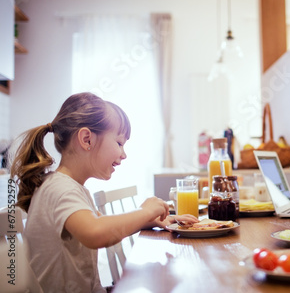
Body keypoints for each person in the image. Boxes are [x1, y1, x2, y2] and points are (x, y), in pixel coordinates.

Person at [10, 92, 198, 292]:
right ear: (86, 139)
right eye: (119, 143)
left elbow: (105, 225)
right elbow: (96, 232)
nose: (124, 154)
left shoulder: (70, 187)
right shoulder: (60, 189)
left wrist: (149, 220)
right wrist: (143, 212)